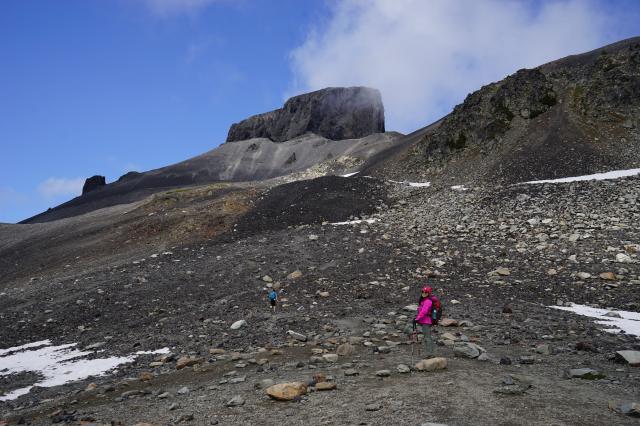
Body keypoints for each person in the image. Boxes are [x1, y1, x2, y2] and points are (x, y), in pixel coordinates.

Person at [414, 286, 435, 357]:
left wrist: (417, 318)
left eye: (425, 292)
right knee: (427, 337)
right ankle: (429, 353)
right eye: (422, 291)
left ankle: (430, 354)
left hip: (426, 321)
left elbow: (424, 311)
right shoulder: (423, 300)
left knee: (427, 338)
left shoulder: (428, 301)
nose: (423, 293)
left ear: (428, 293)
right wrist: (417, 318)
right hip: (423, 321)